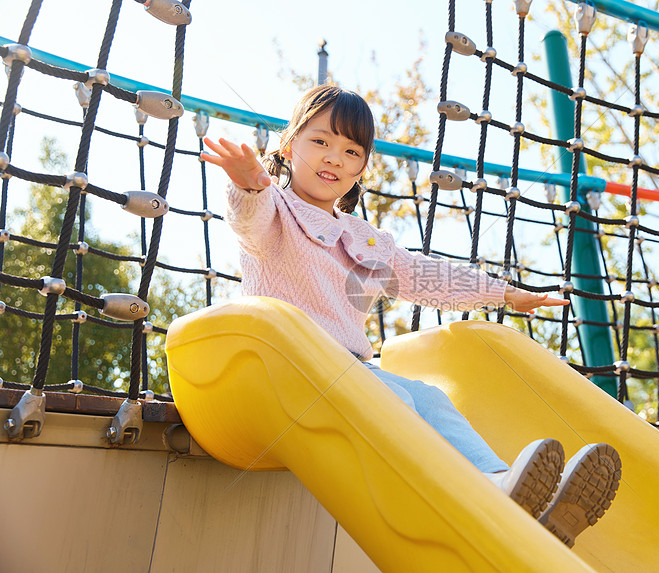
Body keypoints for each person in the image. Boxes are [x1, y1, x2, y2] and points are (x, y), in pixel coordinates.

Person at [201, 84, 621, 547]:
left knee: (427, 397)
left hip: (347, 370)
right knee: (392, 402)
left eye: (350, 150)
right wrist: (247, 183)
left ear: (362, 166)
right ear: (288, 145)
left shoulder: (364, 237)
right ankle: (472, 499)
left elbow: (426, 277)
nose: (334, 158)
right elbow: (248, 222)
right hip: (288, 367)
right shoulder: (274, 208)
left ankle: (506, 486)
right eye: (320, 141)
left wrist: (506, 294)